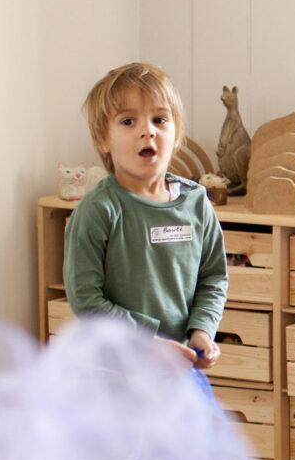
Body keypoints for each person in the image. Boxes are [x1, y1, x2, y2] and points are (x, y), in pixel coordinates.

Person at [64, 61, 227, 372]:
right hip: (115, 377)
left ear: (176, 134)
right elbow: (86, 300)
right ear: (103, 138)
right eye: (128, 121)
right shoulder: (98, 210)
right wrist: (145, 341)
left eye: (159, 119)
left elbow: (213, 278)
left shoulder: (196, 203)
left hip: (180, 371)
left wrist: (202, 330)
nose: (147, 130)